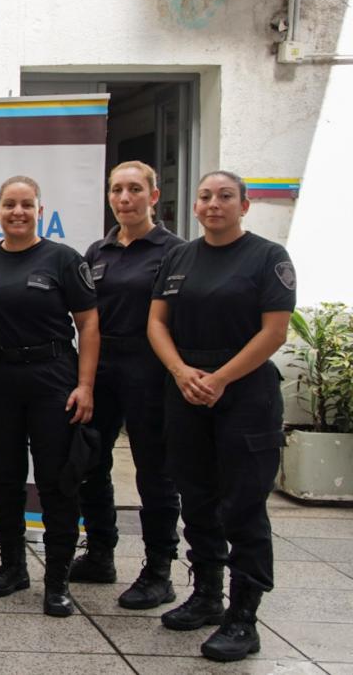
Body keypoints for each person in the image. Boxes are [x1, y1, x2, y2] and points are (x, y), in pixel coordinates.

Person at [148, 171, 295, 663]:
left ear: (244, 206)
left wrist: (221, 378)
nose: (214, 204)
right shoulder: (178, 256)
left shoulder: (267, 257)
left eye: (225, 197)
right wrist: (181, 371)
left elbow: (274, 332)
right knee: (198, 495)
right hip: (186, 386)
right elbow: (156, 322)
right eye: (205, 196)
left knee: (243, 505)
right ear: (195, 206)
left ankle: (243, 617)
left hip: (244, 392)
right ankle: (208, 594)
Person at [0, 175, 98, 618]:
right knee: (4, 478)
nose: (18, 212)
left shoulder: (63, 259)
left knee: (56, 482)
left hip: (52, 379)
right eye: (9, 204)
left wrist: (85, 386)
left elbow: (88, 324)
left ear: (40, 211)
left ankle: (58, 580)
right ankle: (12, 567)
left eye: (26, 205)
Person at [72, 161, 184, 608]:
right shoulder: (98, 251)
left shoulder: (174, 251)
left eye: (135, 189)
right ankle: (101, 553)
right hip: (101, 368)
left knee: (154, 472)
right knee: (89, 462)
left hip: (150, 368)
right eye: (117, 190)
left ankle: (159, 570)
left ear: (153, 196)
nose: (124, 198)